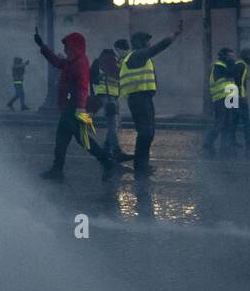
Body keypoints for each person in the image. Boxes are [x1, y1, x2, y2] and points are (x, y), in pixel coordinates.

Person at [35, 30, 117, 181]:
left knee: (80, 139)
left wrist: (79, 107)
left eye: (68, 47)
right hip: (71, 107)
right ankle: (58, 169)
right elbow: (57, 62)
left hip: (75, 108)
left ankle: (106, 162)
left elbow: (82, 86)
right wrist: (42, 46)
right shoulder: (73, 61)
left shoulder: (79, 62)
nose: (65, 50)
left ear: (75, 47)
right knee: (67, 139)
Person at [119, 22, 184, 176]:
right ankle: (140, 166)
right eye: (147, 41)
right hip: (139, 99)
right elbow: (158, 47)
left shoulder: (138, 56)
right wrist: (173, 36)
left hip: (142, 99)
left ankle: (142, 165)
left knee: (148, 132)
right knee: (145, 133)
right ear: (141, 43)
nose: (149, 44)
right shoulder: (137, 55)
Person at [89, 48, 125, 158]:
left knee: (113, 125)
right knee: (113, 125)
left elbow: (92, 79)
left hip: (103, 95)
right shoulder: (117, 63)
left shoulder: (98, 62)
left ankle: (106, 148)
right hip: (112, 97)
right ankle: (116, 151)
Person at [203, 47, 239, 155]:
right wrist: (233, 64)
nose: (233, 58)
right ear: (224, 56)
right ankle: (208, 142)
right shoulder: (219, 65)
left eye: (233, 56)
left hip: (229, 96)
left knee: (228, 122)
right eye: (230, 56)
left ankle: (225, 146)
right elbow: (230, 74)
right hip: (220, 98)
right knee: (220, 122)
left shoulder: (226, 65)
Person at [232, 47, 250, 149]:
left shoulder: (237, 64)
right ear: (246, 57)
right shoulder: (242, 66)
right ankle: (249, 142)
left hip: (232, 97)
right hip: (238, 98)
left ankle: (231, 142)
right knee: (246, 121)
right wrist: (242, 97)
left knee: (234, 121)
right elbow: (239, 83)